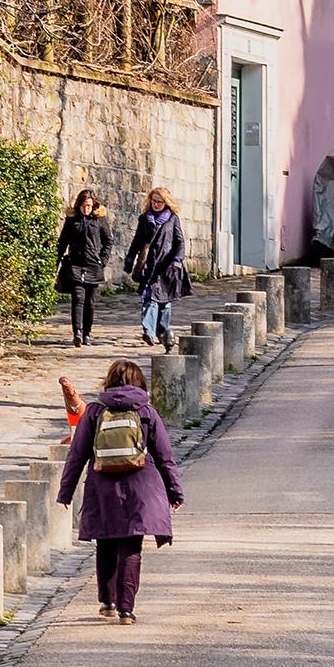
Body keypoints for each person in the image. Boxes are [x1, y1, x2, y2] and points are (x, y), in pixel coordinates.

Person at [56, 357, 183, 624]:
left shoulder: (94, 411)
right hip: (141, 488)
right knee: (131, 547)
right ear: (139, 382)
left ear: (109, 380)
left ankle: (108, 602)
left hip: (102, 487)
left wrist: (65, 492)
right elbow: (165, 456)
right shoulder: (146, 411)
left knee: (105, 542)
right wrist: (175, 491)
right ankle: (126, 609)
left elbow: (77, 455)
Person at [123, 186, 191, 352]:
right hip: (150, 265)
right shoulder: (144, 219)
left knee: (165, 303)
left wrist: (177, 260)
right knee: (150, 299)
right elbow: (137, 241)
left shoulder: (173, 219)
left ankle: (162, 331)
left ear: (166, 202)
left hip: (167, 267)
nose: (156, 204)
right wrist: (130, 259)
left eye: (160, 202)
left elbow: (180, 242)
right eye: (154, 201)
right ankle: (149, 331)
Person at [55, 189, 113, 347]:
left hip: (93, 266)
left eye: (88, 205)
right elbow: (63, 242)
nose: (86, 209)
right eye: (83, 205)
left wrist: (102, 260)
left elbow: (108, 241)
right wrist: (56, 262)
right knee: (78, 299)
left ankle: (87, 333)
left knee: (90, 302)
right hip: (75, 265)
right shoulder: (72, 220)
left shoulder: (99, 220)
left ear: (93, 205)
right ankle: (78, 332)